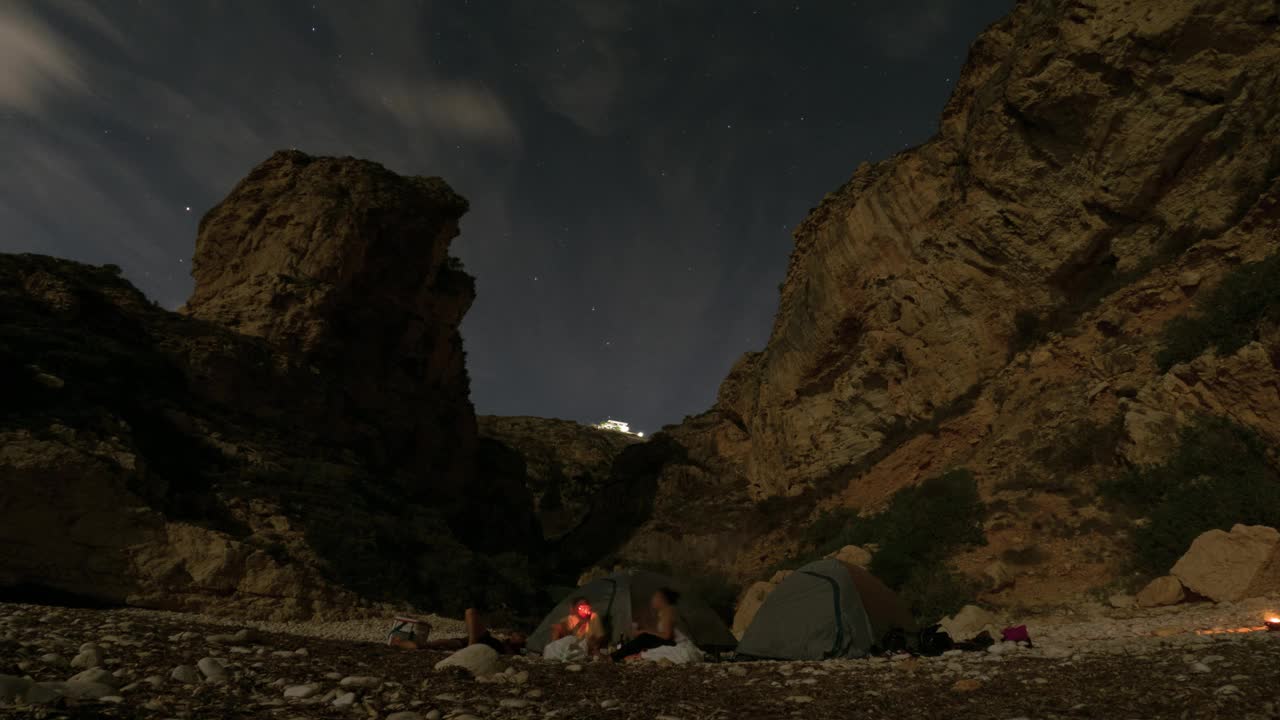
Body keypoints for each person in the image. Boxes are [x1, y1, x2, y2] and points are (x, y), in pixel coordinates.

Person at [388, 608, 526, 654]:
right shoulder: (506, 643)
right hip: (483, 641)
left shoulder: (518, 650)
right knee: (447, 642)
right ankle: (409, 644)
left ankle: (406, 643)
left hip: (484, 646)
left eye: (520, 636)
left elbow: (510, 653)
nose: (517, 637)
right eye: (516, 634)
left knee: (448, 644)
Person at [611, 587, 687, 662]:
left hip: (676, 644)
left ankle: (615, 656)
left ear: (663, 599)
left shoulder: (668, 611)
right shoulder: (664, 611)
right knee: (644, 638)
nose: (652, 600)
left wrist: (645, 632)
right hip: (669, 641)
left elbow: (667, 636)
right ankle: (620, 655)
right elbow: (659, 634)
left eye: (655, 597)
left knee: (644, 638)